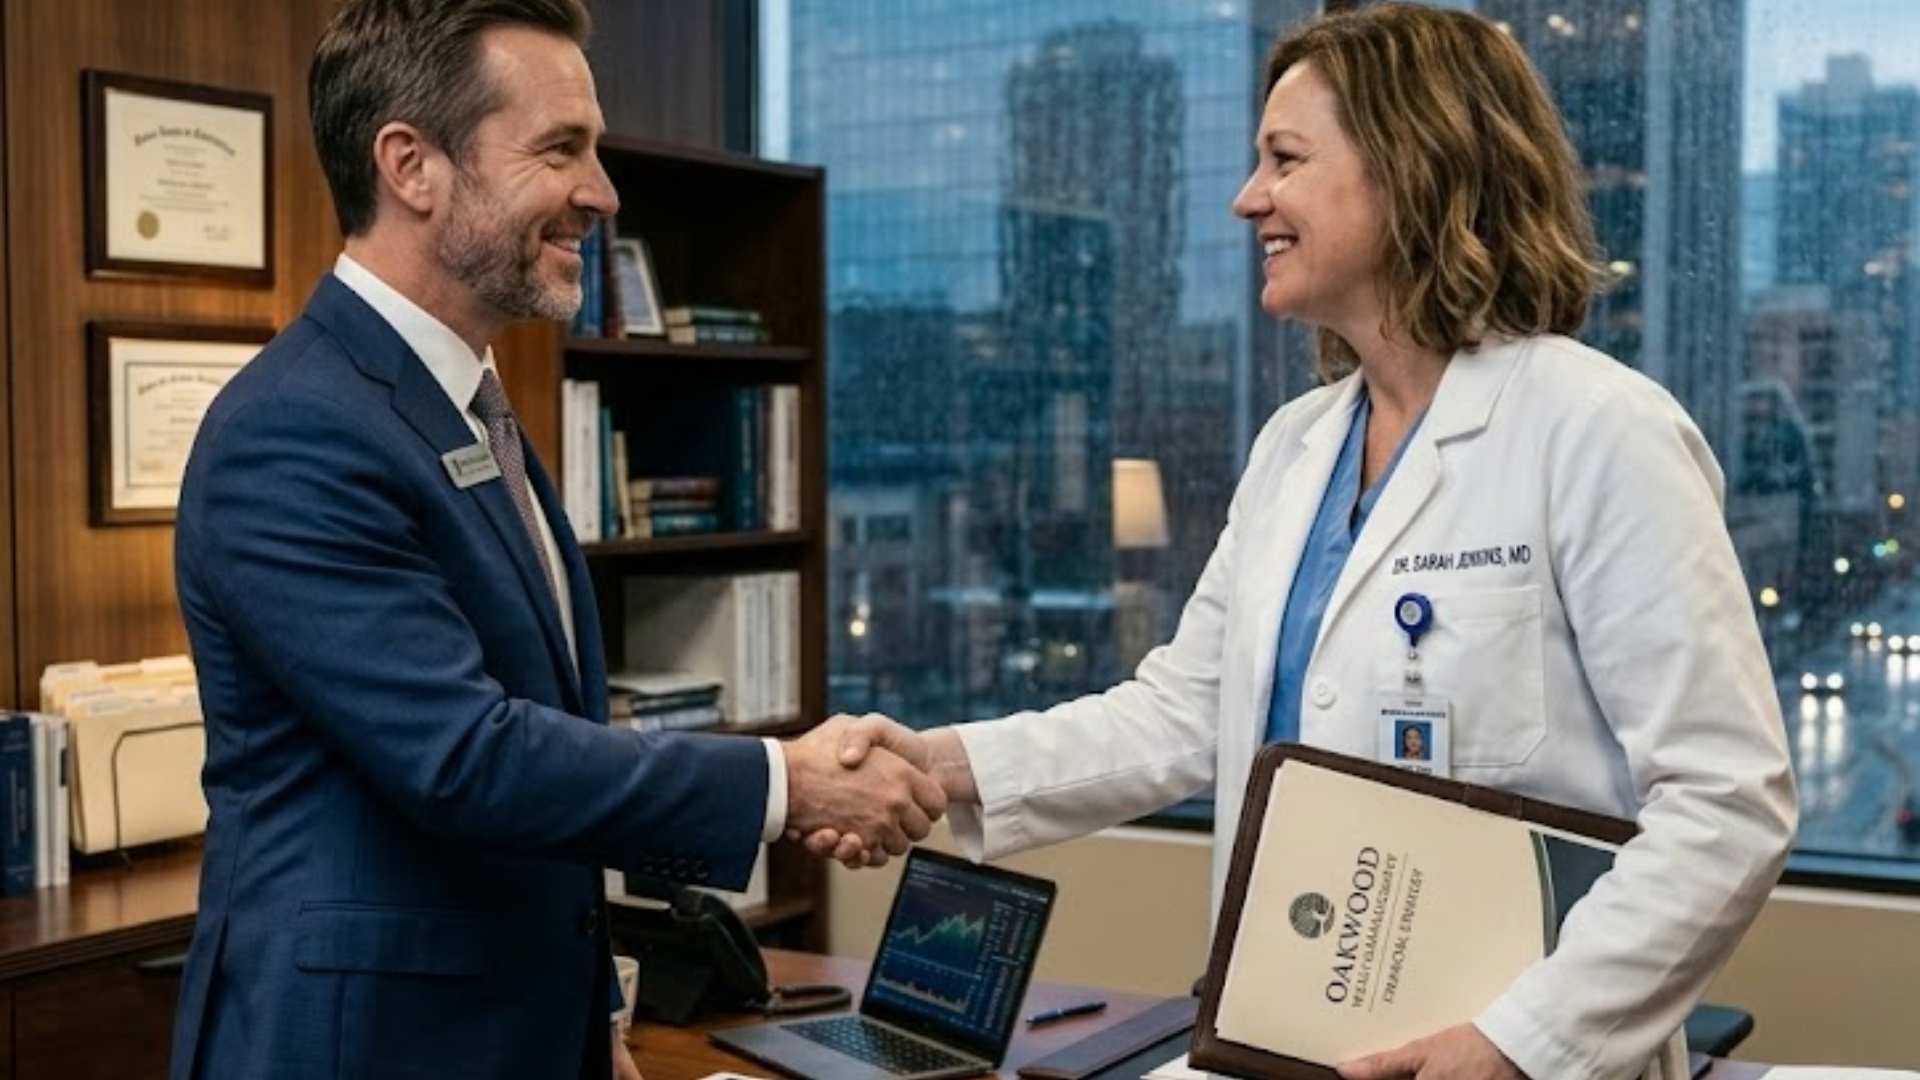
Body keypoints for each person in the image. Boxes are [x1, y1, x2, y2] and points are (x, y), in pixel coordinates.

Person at [820, 5, 1796, 1080]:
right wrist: (940, 765)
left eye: (1284, 160)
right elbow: (1184, 710)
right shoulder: (1296, 447)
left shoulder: (1598, 429)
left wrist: (1516, 1046)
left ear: (1411, 166)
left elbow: (1725, 802)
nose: (1248, 201)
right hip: (1283, 1043)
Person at [168, 2, 944, 1078]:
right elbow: (468, 756)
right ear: (411, 164)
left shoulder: (465, 406)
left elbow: (536, 746)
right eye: (561, 149)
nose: (602, 193)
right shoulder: (290, 432)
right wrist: (787, 783)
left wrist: (593, 1020)